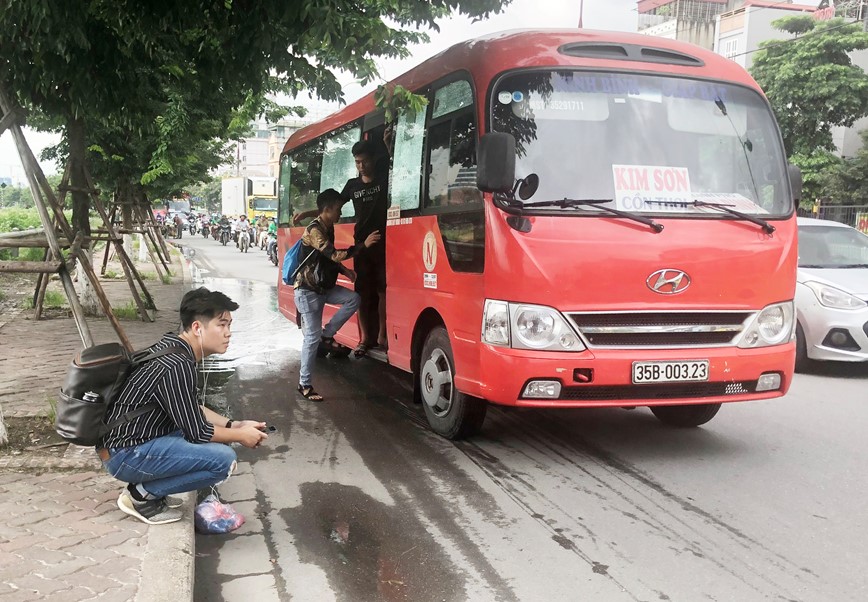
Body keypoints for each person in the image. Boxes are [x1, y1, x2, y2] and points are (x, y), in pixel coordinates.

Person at [97, 287, 269, 525]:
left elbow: (190, 407)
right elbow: (198, 432)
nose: (228, 333)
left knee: (219, 438)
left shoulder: (174, 348)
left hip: (126, 445)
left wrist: (234, 425)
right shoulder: (177, 364)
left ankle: (148, 491)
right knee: (223, 460)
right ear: (197, 328)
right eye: (221, 325)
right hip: (125, 454)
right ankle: (141, 496)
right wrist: (240, 436)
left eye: (229, 325)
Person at [294, 138, 390, 358]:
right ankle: (366, 339)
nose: (361, 166)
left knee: (383, 291)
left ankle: (383, 337)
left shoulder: (385, 179)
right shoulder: (352, 185)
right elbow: (330, 207)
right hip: (361, 246)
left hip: (384, 243)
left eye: (364, 161)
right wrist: (308, 214)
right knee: (362, 293)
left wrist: (385, 141)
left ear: (373, 160)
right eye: (357, 162)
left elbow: (391, 159)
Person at [294, 189, 380, 402]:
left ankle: (327, 334)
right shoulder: (315, 230)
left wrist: (345, 271)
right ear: (329, 209)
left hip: (323, 288)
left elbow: (327, 261)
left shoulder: (327, 226)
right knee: (311, 338)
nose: (341, 213)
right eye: (339, 209)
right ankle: (304, 384)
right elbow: (332, 254)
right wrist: (363, 246)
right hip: (308, 291)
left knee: (353, 299)